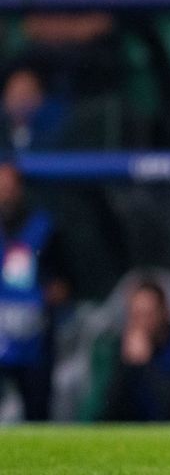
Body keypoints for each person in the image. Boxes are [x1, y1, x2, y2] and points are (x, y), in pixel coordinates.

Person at [0, 161, 71, 420]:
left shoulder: (45, 229)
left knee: (37, 411)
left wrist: (40, 298)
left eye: (10, 187)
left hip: (34, 339)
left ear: (21, 189)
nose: (5, 193)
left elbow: (65, 284)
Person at [101, 279, 170, 421]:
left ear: (165, 312)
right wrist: (126, 366)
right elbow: (108, 413)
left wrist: (146, 364)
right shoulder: (124, 346)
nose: (142, 323)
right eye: (136, 316)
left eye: (148, 314)